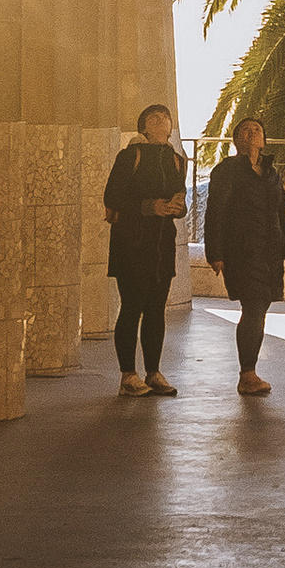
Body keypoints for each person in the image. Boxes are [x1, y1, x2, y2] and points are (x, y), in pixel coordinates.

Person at [202, 113, 285, 394]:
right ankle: (247, 373)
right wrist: (215, 252)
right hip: (242, 251)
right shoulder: (227, 170)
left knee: (259, 308)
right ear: (236, 140)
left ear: (263, 139)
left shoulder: (271, 173)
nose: (251, 133)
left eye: (256, 129)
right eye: (244, 130)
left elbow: (281, 213)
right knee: (255, 307)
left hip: (270, 252)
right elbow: (216, 212)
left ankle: (249, 371)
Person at [103, 102, 188, 395]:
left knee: (155, 310)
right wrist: (148, 206)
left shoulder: (177, 160)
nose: (161, 119)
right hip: (133, 243)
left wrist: (178, 207)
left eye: (165, 117)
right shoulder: (131, 156)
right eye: (154, 117)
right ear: (144, 127)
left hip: (162, 246)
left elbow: (180, 197)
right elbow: (112, 196)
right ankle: (128, 375)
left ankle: (154, 372)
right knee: (131, 308)